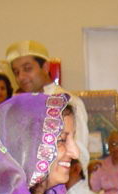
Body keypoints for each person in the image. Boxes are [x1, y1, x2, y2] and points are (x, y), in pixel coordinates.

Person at [6, 40, 90, 172]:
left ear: (45, 67)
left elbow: (80, 156)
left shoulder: (69, 102)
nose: (21, 77)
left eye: (27, 69)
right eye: (16, 72)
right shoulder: (19, 107)